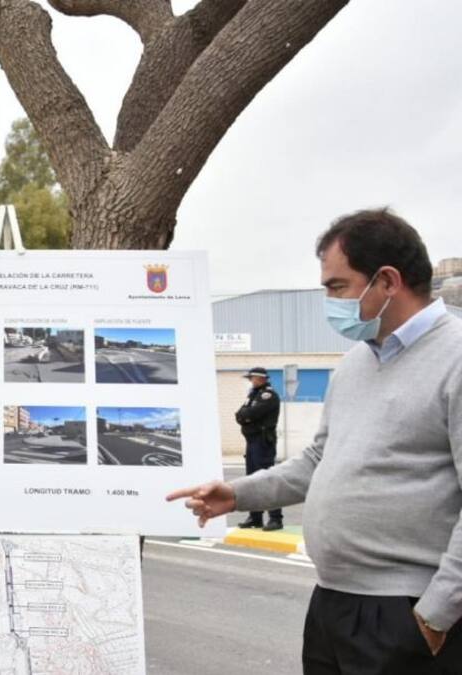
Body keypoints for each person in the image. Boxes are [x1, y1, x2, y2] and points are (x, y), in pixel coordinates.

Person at [168, 208, 462, 673]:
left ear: (387, 281)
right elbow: (315, 460)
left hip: (407, 609)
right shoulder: (355, 365)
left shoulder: (456, 357)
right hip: (332, 603)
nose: (329, 300)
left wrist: (435, 615)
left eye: (337, 286)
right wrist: (237, 493)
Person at [234, 366, 282, 531]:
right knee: (251, 480)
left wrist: (245, 417)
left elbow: (250, 414)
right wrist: (244, 417)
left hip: (263, 443)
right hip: (252, 442)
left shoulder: (268, 396)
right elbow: (239, 415)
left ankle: (275, 518)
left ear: (261, 378)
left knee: (266, 480)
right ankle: (255, 518)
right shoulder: (253, 395)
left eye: (252, 378)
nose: (250, 381)